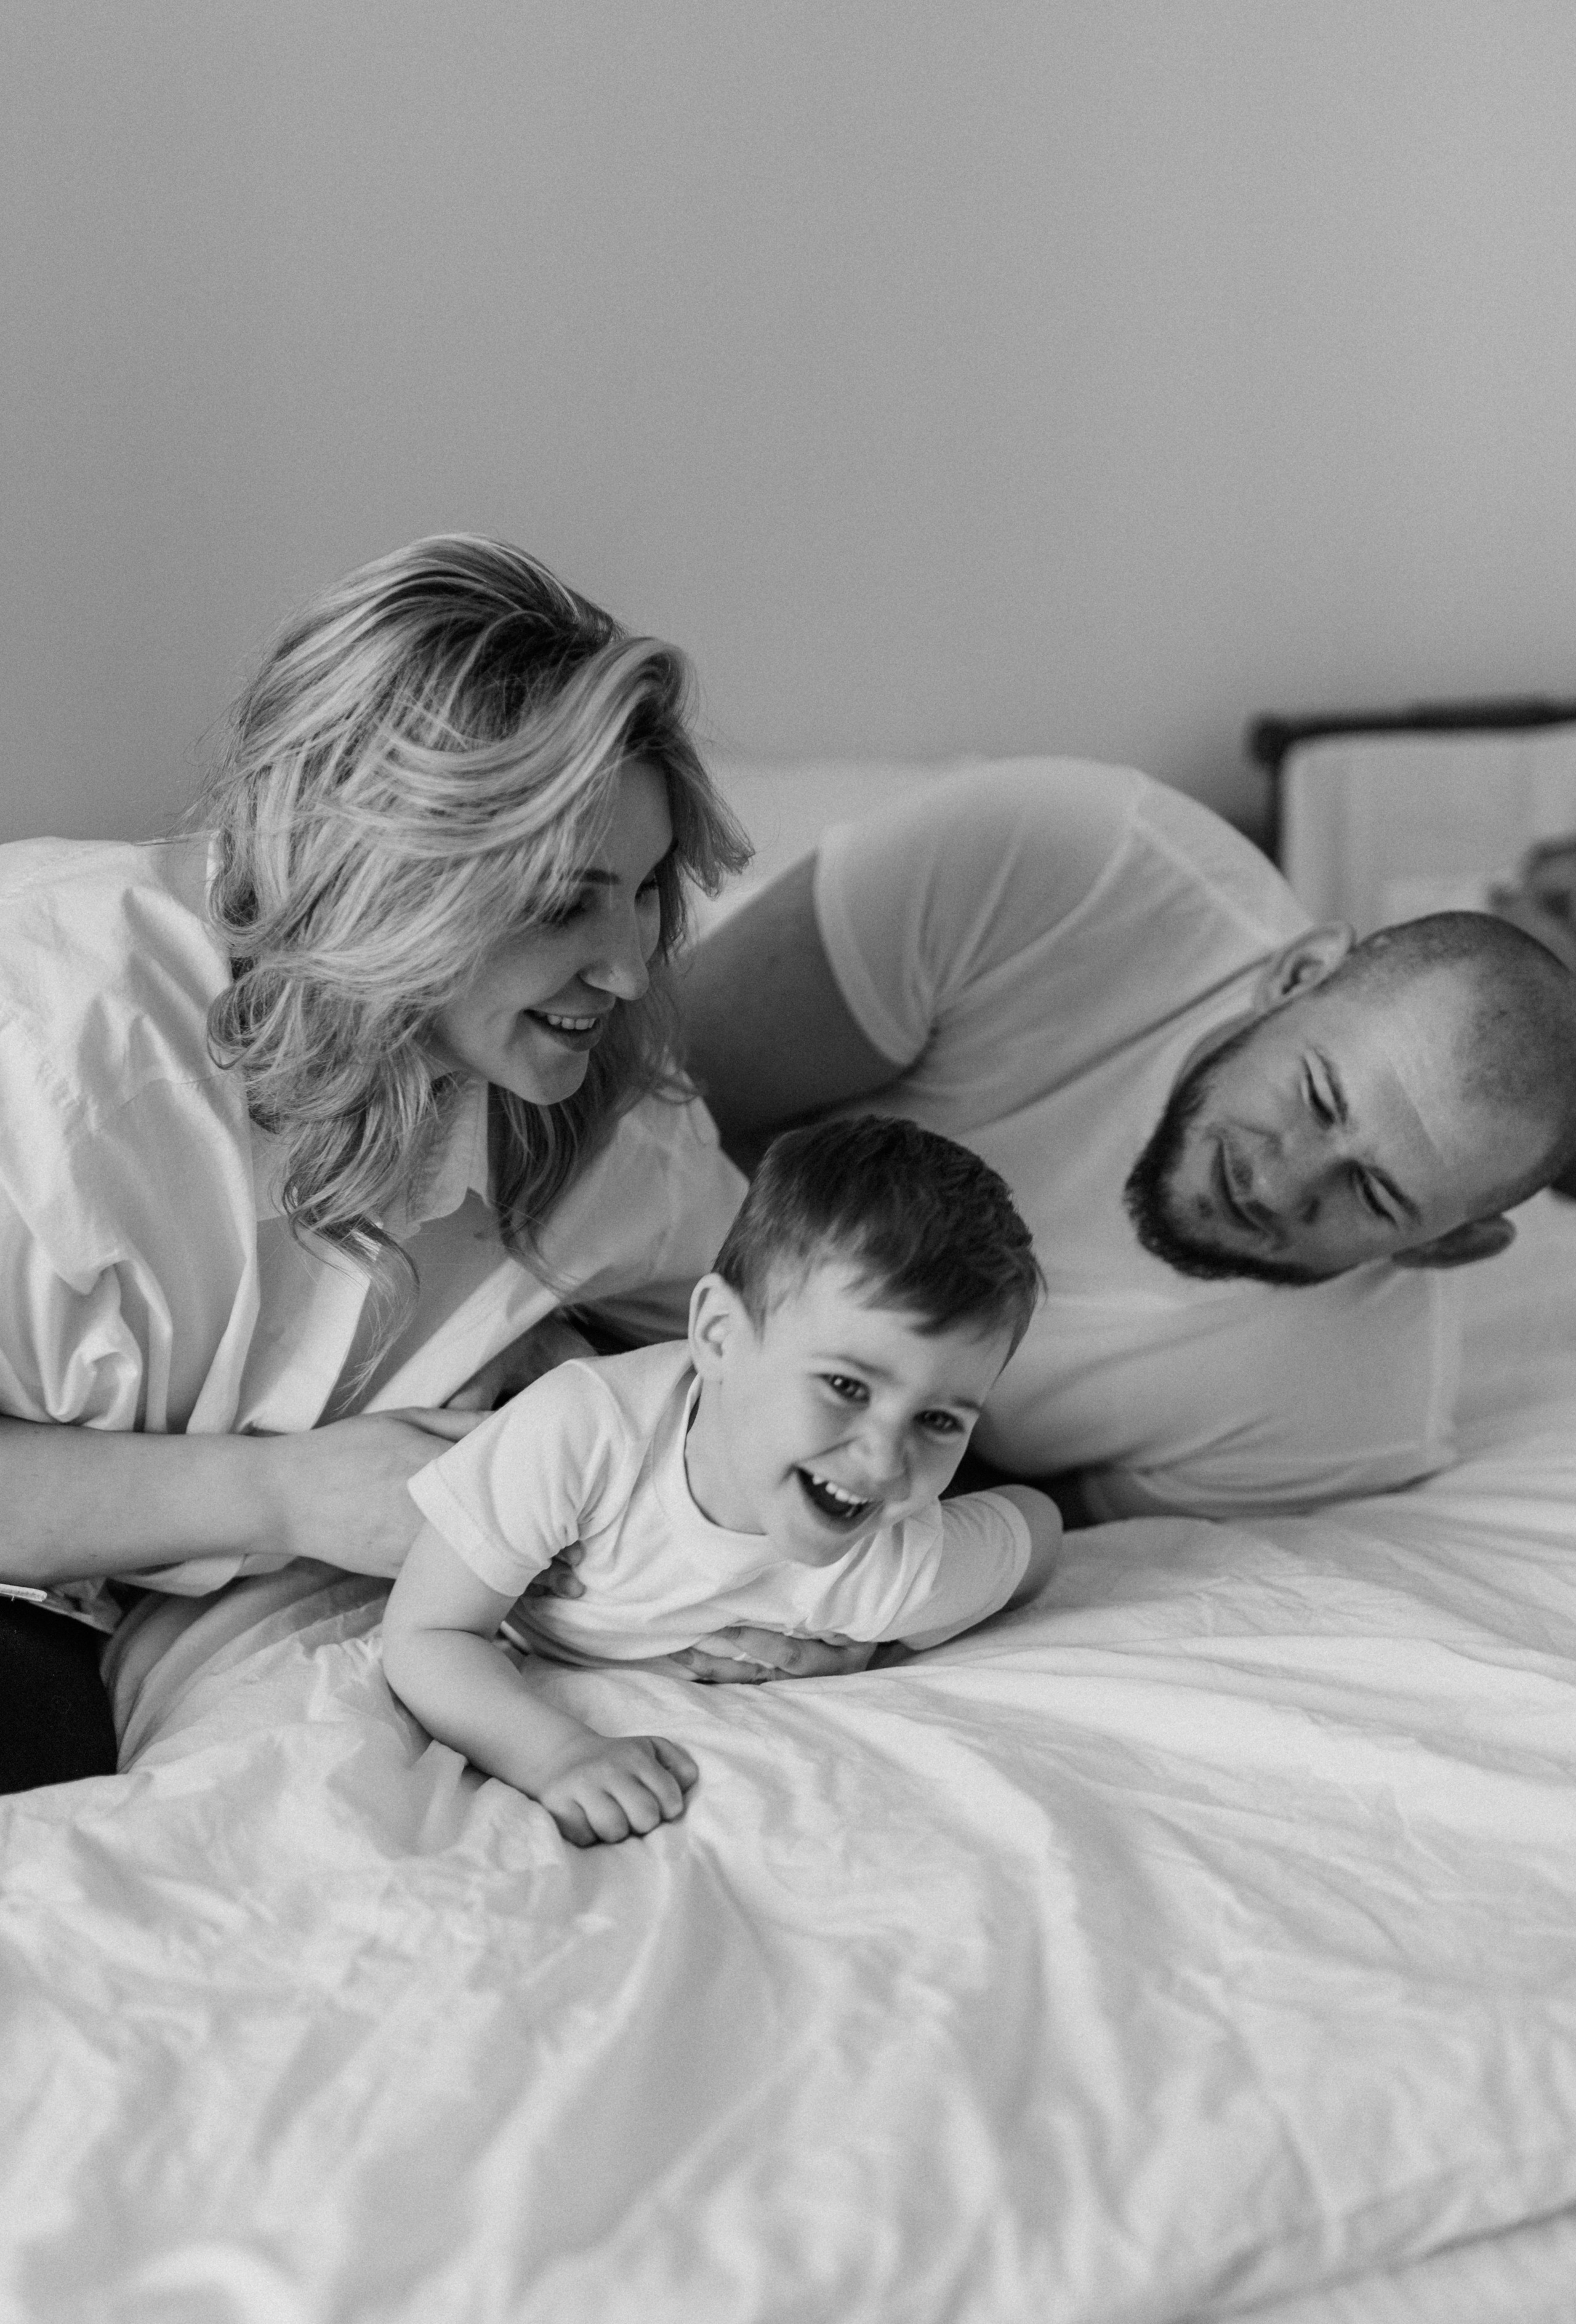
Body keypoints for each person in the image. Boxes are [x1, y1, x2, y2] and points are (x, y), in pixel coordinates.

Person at [0, 535, 754, 1792]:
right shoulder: (54, 1026)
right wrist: (287, 1497)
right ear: (387, 876)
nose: (626, 969)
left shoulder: (609, 1125)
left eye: (640, 894)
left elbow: (761, 1371)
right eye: (565, 902)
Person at [678, 759, 1576, 1521]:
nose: (1277, 1181)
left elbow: (1001, 1515)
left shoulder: (1353, 1418)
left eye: (1375, 1194)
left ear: (1446, 1247)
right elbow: (636, 1096)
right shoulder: (1067, 860)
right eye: (1317, 1095)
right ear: (1297, 975)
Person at [381, 1116, 1063, 1845]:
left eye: (938, 1421)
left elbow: (1040, 1530)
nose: (883, 1461)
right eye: (845, 1386)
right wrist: (556, 1753)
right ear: (717, 1334)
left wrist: (884, 1650)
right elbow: (428, 1631)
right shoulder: (581, 1430)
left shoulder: (888, 1569)